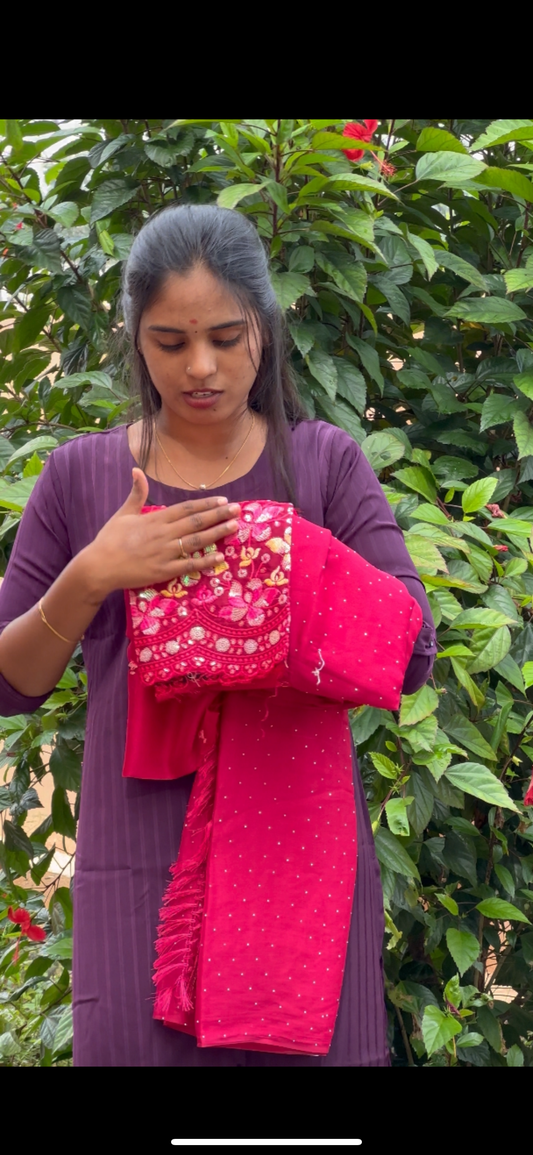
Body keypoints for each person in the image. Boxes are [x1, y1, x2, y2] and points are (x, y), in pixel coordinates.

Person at [0, 205, 436, 1067]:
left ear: (263, 333)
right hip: (140, 874)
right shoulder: (83, 478)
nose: (200, 367)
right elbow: (11, 683)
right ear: (135, 338)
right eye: (169, 342)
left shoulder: (321, 465)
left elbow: (410, 651)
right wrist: (94, 572)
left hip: (297, 879)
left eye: (225, 337)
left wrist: (284, 552)